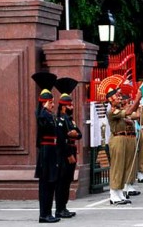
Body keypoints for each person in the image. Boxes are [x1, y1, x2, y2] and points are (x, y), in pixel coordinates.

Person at [31, 72, 60, 223]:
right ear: (44, 102)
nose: (53, 104)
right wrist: (44, 108)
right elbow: (42, 120)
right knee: (45, 185)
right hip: (46, 152)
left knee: (50, 183)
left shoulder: (49, 115)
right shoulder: (43, 115)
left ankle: (48, 212)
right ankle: (44, 214)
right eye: (50, 102)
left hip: (51, 151)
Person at [106, 87, 142, 205]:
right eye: (117, 97)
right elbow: (127, 113)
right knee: (117, 166)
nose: (120, 98)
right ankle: (113, 193)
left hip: (126, 139)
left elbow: (133, 114)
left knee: (125, 166)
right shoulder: (112, 111)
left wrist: (138, 102)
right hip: (118, 139)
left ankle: (119, 192)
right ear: (111, 100)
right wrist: (137, 98)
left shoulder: (121, 109)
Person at [54, 77, 81, 218]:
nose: (72, 107)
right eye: (70, 105)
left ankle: (64, 207)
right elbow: (61, 140)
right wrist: (68, 155)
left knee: (67, 182)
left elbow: (79, 134)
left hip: (72, 152)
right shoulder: (60, 121)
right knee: (62, 182)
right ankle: (59, 209)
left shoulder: (70, 120)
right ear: (64, 106)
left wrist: (74, 134)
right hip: (64, 155)